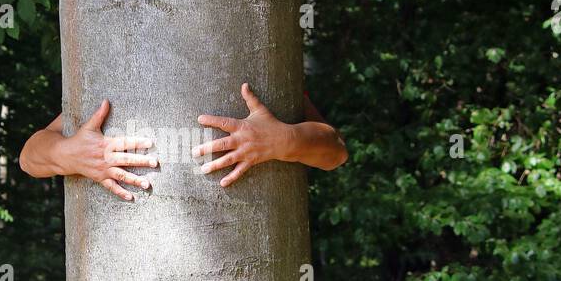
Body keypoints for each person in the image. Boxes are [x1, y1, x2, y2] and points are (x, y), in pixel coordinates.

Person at [18, 82, 347, 201]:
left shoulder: (267, 73)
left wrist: (284, 140)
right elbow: (28, 159)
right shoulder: (112, 75)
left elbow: (335, 151)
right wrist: (67, 153)